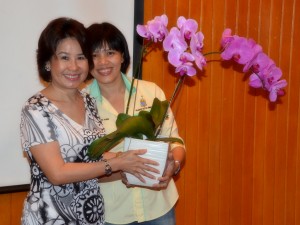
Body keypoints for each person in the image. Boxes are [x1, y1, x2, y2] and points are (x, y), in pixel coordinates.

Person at [20, 17, 159, 225]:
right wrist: (117, 162)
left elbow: (91, 157)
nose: (74, 67)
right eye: (64, 57)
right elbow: (58, 173)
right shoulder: (36, 109)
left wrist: (129, 166)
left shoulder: (87, 100)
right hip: (50, 218)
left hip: (91, 216)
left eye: (81, 57)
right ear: (48, 62)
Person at [85, 22, 186, 225]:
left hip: (158, 207)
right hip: (111, 214)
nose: (103, 62)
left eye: (110, 53)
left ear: (123, 56)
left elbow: (176, 142)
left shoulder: (151, 92)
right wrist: (122, 167)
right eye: (94, 56)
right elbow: (84, 162)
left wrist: (173, 165)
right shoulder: (81, 102)